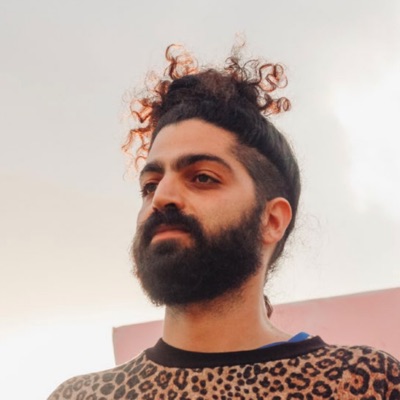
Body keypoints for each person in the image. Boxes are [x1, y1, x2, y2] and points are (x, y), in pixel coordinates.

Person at [48, 44, 400, 400]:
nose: (162, 197)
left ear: (271, 220)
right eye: (150, 185)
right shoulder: (81, 396)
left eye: (202, 177)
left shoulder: (364, 382)